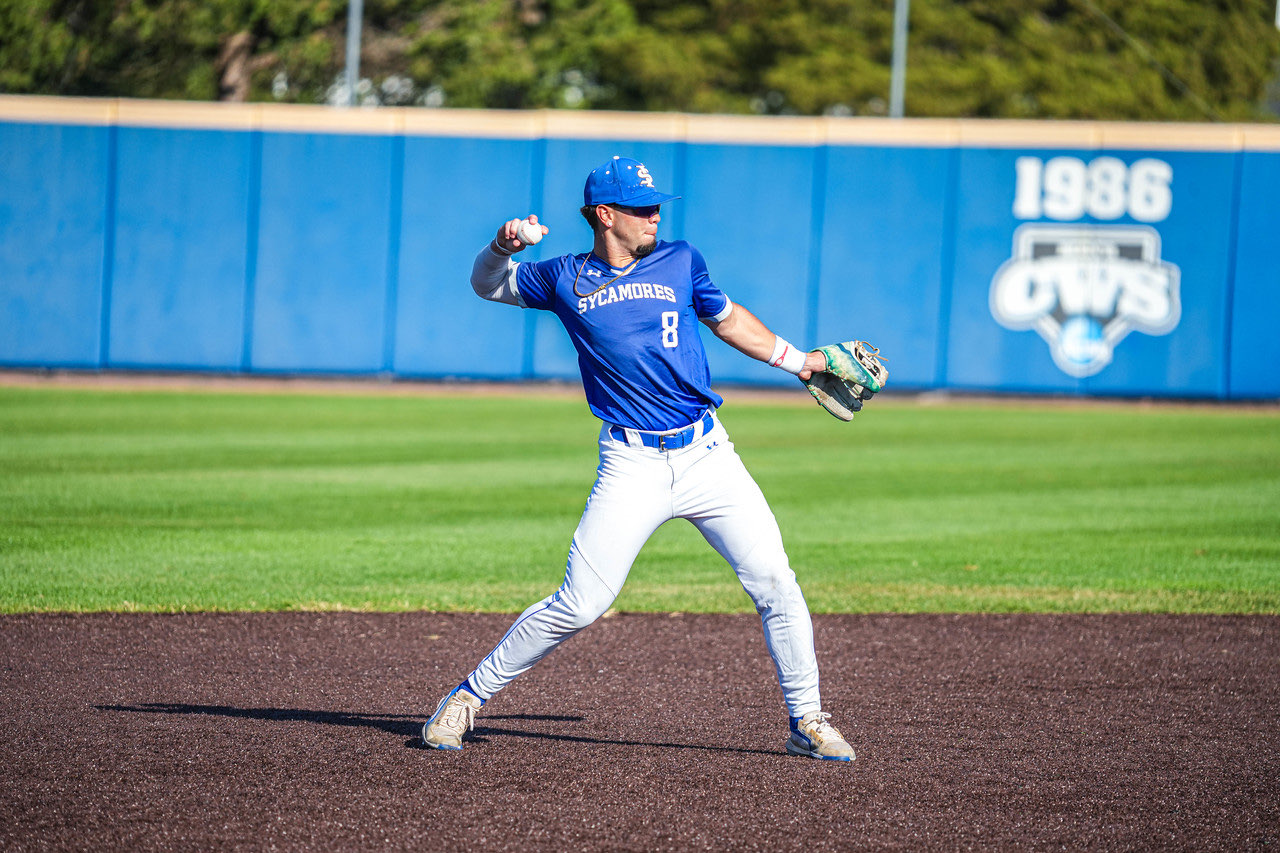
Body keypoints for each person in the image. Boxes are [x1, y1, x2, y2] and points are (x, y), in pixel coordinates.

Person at [422, 155, 854, 761]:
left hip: (708, 455)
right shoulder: (562, 278)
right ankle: (468, 698)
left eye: (655, 206)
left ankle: (806, 719)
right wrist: (501, 244)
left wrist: (800, 362)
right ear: (605, 214)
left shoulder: (681, 259)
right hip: (631, 464)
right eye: (641, 207)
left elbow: (728, 322)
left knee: (777, 582)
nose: (654, 216)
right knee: (581, 604)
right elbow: (487, 284)